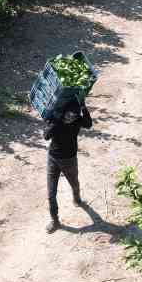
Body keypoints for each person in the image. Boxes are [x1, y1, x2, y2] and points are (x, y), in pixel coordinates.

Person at [44, 99, 92, 232]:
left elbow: (88, 124)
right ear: (64, 113)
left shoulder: (78, 121)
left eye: (74, 116)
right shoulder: (57, 121)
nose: (70, 118)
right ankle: (55, 220)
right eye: (68, 115)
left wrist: (84, 107)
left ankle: (77, 198)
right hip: (53, 159)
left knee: (74, 183)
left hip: (70, 160)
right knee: (51, 194)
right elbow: (46, 136)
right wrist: (53, 122)